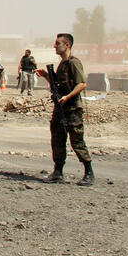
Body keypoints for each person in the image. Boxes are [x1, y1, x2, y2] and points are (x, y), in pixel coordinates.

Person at [36, 33, 94, 186]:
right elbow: (57, 85)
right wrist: (47, 76)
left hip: (72, 108)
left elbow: (82, 84)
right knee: (57, 139)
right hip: (60, 107)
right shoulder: (62, 64)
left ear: (67, 45)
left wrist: (67, 97)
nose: (55, 46)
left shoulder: (73, 63)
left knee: (77, 141)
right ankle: (58, 172)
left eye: (58, 43)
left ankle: (88, 172)